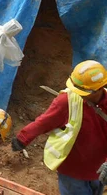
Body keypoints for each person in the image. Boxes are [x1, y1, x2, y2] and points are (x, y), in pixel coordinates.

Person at [12, 60, 107, 195]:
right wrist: (23, 137)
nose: (77, 93)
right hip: (72, 169)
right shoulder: (67, 101)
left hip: (99, 169)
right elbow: (45, 121)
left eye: (82, 91)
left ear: (98, 89)